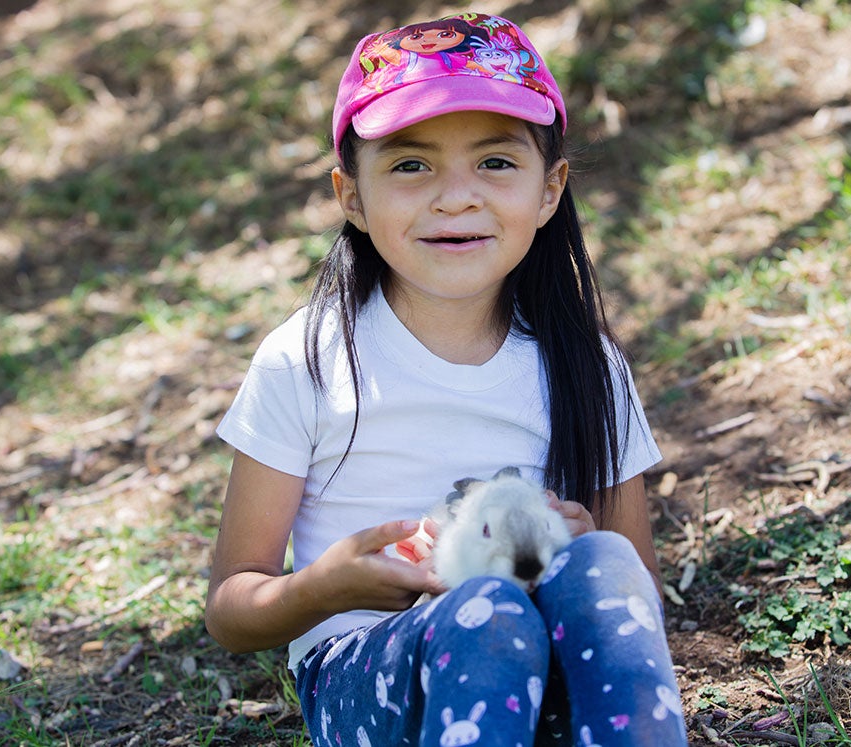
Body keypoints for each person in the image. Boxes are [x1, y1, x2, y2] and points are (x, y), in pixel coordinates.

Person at [205, 11, 689, 747]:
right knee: (485, 610)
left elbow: (637, 594)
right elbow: (233, 607)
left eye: (495, 162)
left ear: (550, 189)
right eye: (410, 164)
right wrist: (325, 585)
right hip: (370, 672)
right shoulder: (306, 361)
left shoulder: (586, 362)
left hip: (549, 666)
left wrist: (574, 556)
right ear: (352, 196)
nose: (455, 195)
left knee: (602, 556)